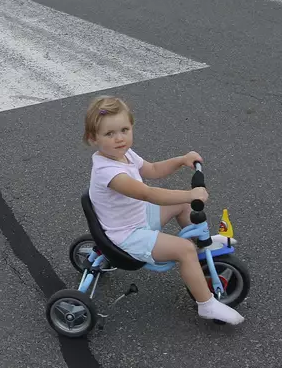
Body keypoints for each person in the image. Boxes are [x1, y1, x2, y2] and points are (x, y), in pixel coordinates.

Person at [84, 96, 245, 325]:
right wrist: (190, 194)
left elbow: (153, 169)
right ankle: (206, 305)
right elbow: (148, 193)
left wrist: (181, 160)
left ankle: (203, 243)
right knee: (184, 249)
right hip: (126, 236)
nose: (119, 138)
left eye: (124, 129)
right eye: (109, 134)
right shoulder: (109, 172)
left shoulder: (124, 154)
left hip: (136, 217)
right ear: (93, 138)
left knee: (182, 205)